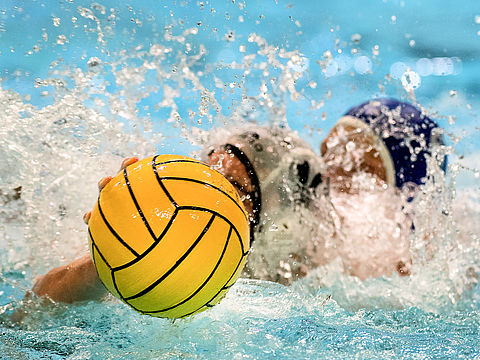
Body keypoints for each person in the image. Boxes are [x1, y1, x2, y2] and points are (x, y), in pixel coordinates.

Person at [29, 98, 446, 303]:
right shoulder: (274, 182)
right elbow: (27, 319)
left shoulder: (382, 259)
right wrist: (117, 248)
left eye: (360, 169)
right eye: (330, 150)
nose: (333, 169)